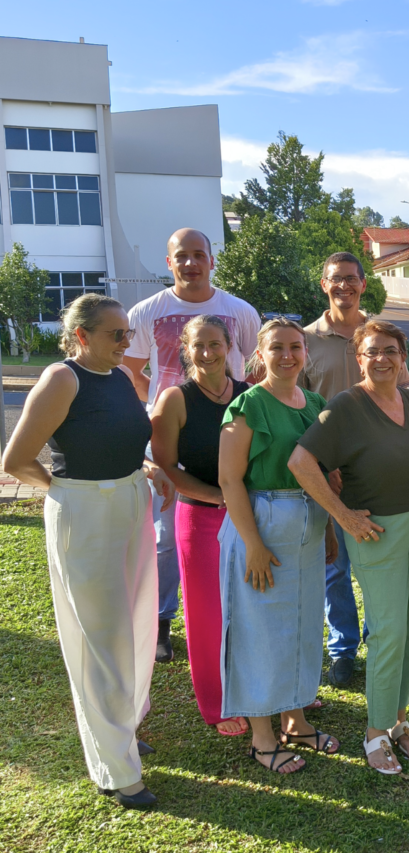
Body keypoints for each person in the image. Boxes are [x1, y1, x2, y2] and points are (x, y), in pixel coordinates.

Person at [1, 294, 176, 809]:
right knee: (100, 638)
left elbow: (117, 437)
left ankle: (119, 729)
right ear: (82, 336)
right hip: (86, 510)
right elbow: (18, 459)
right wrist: (67, 490)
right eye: (116, 335)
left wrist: (142, 468)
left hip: (129, 499)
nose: (127, 342)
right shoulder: (62, 378)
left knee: (136, 623)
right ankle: (117, 770)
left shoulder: (119, 375)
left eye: (128, 333)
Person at [289, 320, 409, 774]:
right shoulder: (347, 406)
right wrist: (343, 514)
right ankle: (375, 732)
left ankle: (397, 720)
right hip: (377, 532)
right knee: (389, 630)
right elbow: (301, 461)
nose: (382, 359)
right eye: (372, 351)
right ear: (359, 358)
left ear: (403, 357)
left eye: (390, 350)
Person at [124, 228, 261, 663]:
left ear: (211, 260)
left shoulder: (238, 312)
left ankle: (236, 621)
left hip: (225, 430)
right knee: (165, 538)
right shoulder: (149, 311)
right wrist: (163, 402)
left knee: (236, 527)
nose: (190, 263)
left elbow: (256, 372)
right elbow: (126, 368)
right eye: (181, 256)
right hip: (171, 433)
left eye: (198, 254)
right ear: (169, 263)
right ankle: (163, 621)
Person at [218, 318, 339, 774]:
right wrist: (252, 543)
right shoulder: (248, 405)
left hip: (308, 523)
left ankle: (296, 718)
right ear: (260, 355)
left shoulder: (315, 404)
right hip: (262, 522)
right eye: (277, 348)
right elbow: (229, 479)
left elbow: (320, 473)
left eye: (295, 347)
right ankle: (262, 737)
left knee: (303, 625)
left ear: (305, 352)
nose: (287, 356)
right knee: (261, 630)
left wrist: (326, 527)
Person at [299, 252, 409, 689]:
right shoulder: (306, 339)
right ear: (324, 286)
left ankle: (379, 638)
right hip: (327, 471)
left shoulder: (380, 335)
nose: (343, 286)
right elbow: (300, 409)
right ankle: (343, 647)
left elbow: (400, 400)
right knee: (334, 565)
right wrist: (324, 468)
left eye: (350, 279)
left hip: (379, 472)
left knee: (381, 562)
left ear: (364, 284)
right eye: (334, 280)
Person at [150, 316, 251, 737]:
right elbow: (165, 465)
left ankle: (254, 690)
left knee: (250, 610)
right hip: (201, 517)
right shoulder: (175, 399)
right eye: (198, 346)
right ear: (186, 350)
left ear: (229, 346)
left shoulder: (250, 395)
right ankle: (216, 703)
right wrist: (218, 498)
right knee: (208, 614)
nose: (207, 353)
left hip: (249, 515)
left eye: (215, 344)